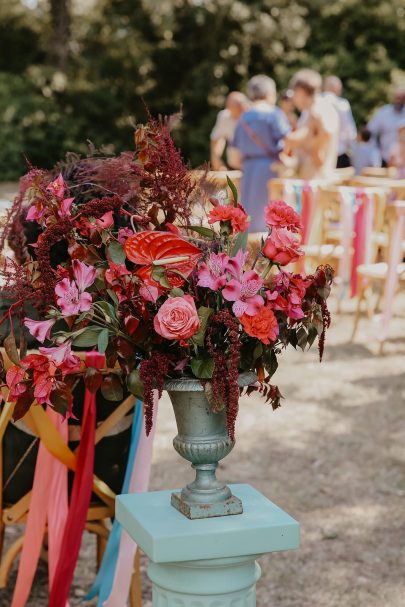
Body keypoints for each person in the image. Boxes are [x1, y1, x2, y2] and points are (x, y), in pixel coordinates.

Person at [230, 74, 290, 232]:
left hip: (248, 170)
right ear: (270, 93)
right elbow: (289, 141)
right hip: (270, 169)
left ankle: (248, 254)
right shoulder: (274, 114)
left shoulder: (243, 118)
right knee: (269, 218)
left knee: (248, 217)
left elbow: (234, 157)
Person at [284, 69, 339, 179]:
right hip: (312, 178)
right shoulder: (310, 111)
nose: (294, 98)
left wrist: (316, 153)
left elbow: (326, 132)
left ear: (301, 91)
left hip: (317, 180)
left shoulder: (318, 109)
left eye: (294, 93)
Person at [323, 75, 357, 168]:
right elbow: (350, 131)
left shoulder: (315, 103)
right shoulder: (342, 105)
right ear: (337, 88)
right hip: (339, 154)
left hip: (320, 155)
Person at [210, 92, 249, 170]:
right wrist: (216, 159)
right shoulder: (224, 116)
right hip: (234, 166)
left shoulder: (253, 116)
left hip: (253, 164)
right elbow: (217, 138)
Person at [367, 86, 405, 167]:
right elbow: (370, 131)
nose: (399, 101)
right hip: (385, 158)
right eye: (397, 98)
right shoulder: (383, 112)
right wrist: (375, 151)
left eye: (401, 98)